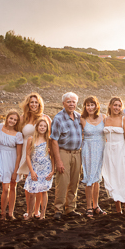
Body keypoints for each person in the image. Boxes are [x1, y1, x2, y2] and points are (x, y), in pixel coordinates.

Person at [18, 92, 52, 219]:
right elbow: (12, 131)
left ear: (39, 104)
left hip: (41, 154)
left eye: (36, 102)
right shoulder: (23, 118)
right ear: (28, 104)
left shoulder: (45, 118)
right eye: (31, 102)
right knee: (29, 183)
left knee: (39, 182)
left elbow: (51, 137)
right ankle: (29, 210)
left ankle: (37, 211)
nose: (33, 104)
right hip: (26, 152)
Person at [50, 92, 82, 220]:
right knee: (62, 182)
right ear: (63, 103)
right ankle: (58, 209)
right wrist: (58, 161)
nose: (71, 104)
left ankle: (70, 208)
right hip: (64, 152)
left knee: (74, 182)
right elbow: (54, 140)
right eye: (69, 101)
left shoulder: (79, 117)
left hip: (77, 153)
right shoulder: (58, 118)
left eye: (74, 102)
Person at [80, 96, 107, 218]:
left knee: (97, 178)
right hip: (88, 150)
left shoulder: (104, 118)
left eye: (92, 105)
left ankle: (96, 205)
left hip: (101, 149)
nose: (90, 107)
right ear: (85, 107)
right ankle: (88, 206)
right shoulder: (82, 119)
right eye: (87, 105)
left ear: (96, 106)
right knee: (89, 177)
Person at [24, 117, 55, 220]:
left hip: (46, 168)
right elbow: (28, 156)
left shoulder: (48, 140)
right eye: (41, 125)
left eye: (45, 126)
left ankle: (43, 214)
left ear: (47, 128)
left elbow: (53, 156)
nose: (42, 128)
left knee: (43, 191)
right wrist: (31, 171)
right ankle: (30, 213)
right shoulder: (31, 139)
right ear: (37, 127)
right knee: (32, 191)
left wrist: (52, 170)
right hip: (35, 168)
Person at [0, 109, 23, 220]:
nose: (12, 121)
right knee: (5, 188)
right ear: (7, 118)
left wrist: (16, 170)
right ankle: (3, 213)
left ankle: (11, 213)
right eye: (11, 118)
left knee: (13, 186)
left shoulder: (18, 134)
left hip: (13, 161)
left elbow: (19, 154)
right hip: (2, 159)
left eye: (15, 120)